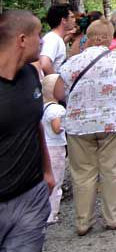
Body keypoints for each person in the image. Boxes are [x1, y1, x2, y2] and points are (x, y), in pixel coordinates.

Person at [54, 18, 116, 236]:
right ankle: (113, 217)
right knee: (112, 169)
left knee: (82, 173)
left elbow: (58, 93)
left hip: (78, 125)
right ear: (109, 37)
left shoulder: (71, 63)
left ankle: (83, 221)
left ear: (88, 38)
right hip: (113, 122)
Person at [0, 9, 55, 252]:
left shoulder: (31, 75)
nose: (41, 41)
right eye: (38, 35)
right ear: (22, 39)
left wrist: (47, 171)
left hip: (30, 196)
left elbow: (35, 124)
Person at [40, 74, 67, 224]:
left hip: (45, 146)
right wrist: (68, 124)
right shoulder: (57, 109)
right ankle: (52, 214)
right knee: (56, 181)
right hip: (56, 148)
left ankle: (42, 211)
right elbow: (57, 128)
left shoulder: (43, 108)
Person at [39, 3, 74, 76]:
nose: (74, 20)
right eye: (72, 17)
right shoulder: (52, 38)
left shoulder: (55, 38)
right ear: (64, 20)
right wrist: (56, 81)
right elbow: (44, 63)